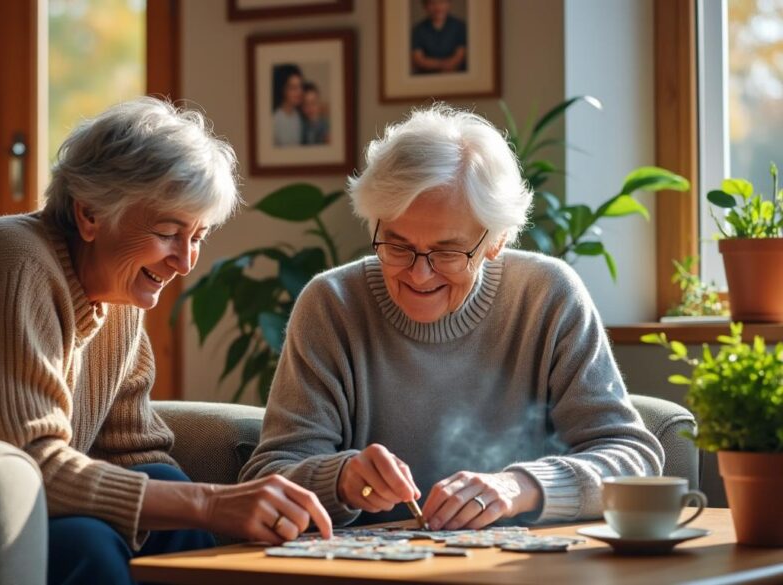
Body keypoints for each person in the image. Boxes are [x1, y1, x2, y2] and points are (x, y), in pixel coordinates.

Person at [0, 97, 332, 585]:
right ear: (90, 214)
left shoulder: (116, 295)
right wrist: (210, 503)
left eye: (197, 237)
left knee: (169, 506)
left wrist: (199, 507)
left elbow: (132, 452)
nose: (185, 262)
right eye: (169, 233)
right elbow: (28, 464)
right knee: (88, 541)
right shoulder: (9, 265)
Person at [239, 104, 664, 531]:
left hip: (518, 569)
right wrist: (342, 481)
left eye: (447, 251)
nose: (419, 274)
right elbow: (265, 480)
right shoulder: (331, 304)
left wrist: (519, 487)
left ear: (495, 241)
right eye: (397, 245)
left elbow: (634, 458)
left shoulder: (546, 296)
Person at [411, 0, 467, 75]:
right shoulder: (418, 30)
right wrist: (441, 65)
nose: (438, 8)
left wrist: (450, 65)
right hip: (427, 77)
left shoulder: (460, 26)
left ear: (449, 4)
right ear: (425, 6)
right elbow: (418, 59)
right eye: (432, 3)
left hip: (457, 75)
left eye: (442, 2)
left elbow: (460, 55)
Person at [272, 63, 305, 146]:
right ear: (283, 90)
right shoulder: (275, 119)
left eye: (300, 86)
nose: (299, 92)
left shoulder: (299, 116)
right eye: (293, 88)